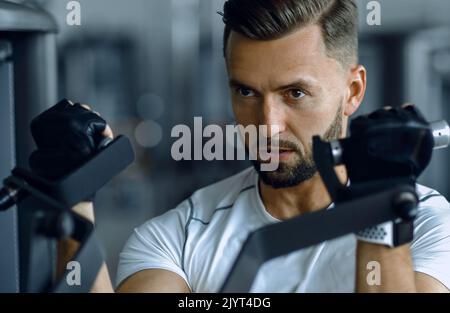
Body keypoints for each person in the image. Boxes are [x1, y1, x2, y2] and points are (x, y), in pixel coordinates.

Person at [31, 0, 450, 292]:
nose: (267, 125)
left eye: (295, 94)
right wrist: (74, 198)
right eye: (247, 92)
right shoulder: (178, 238)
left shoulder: (429, 224)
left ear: (353, 90)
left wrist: (380, 210)